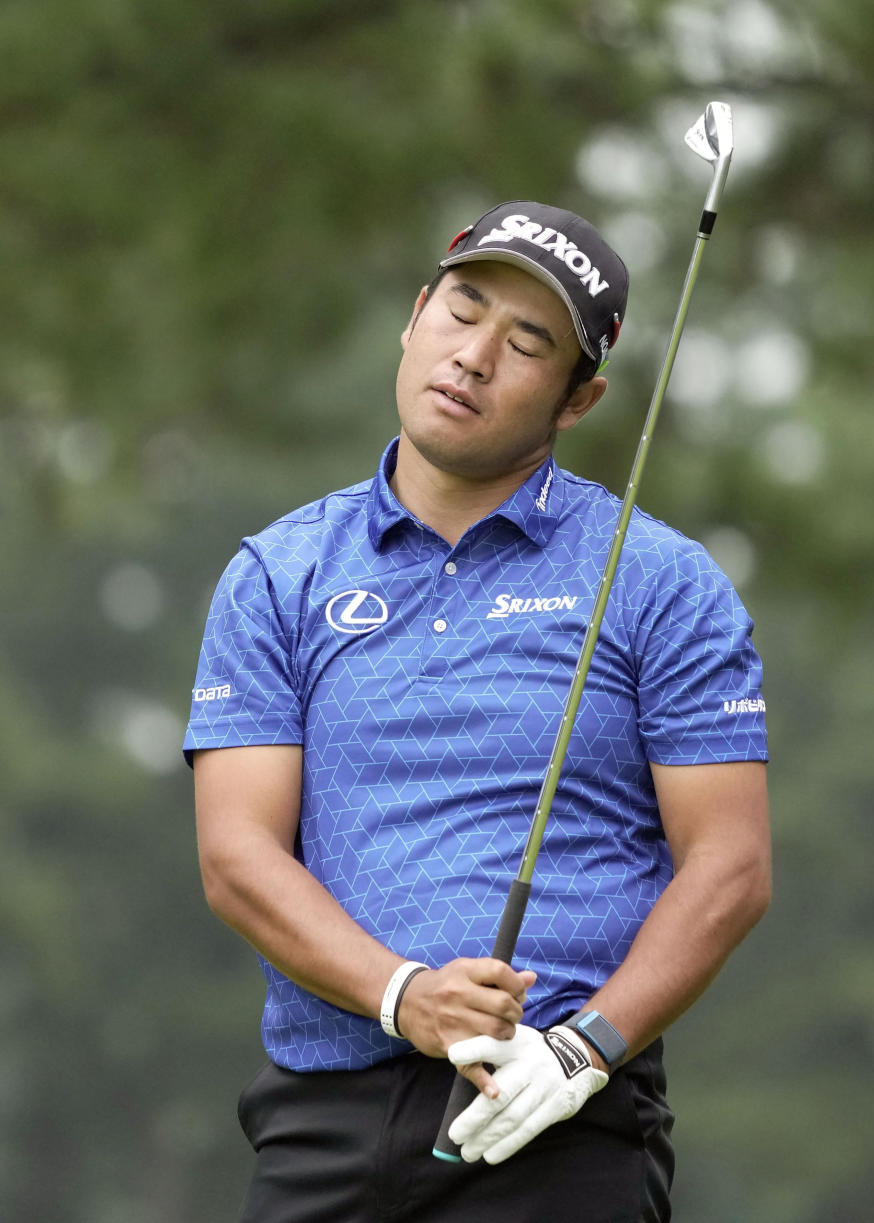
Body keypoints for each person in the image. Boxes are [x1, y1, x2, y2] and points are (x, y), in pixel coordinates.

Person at [184, 200, 771, 1222]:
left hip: (558, 1117)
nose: (474, 356)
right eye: (463, 311)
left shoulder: (660, 579)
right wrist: (404, 992)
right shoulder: (277, 573)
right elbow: (238, 855)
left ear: (577, 399)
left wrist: (583, 1050)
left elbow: (731, 864)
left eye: (528, 342)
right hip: (325, 1117)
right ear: (414, 317)